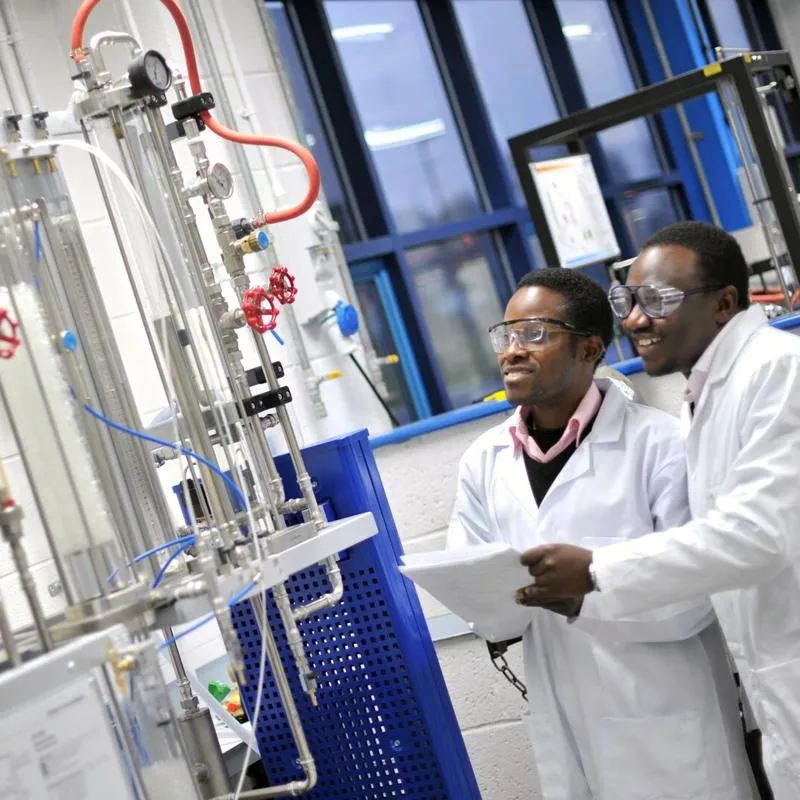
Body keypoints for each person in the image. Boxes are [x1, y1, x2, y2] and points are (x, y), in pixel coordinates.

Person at [447, 267, 754, 800]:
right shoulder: (484, 461)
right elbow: (471, 575)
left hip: (667, 723)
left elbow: (699, 594)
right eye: (507, 334)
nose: (513, 350)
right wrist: (490, 603)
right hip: (563, 723)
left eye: (535, 334)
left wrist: (585, 592)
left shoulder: (660, 446)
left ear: (589, 349)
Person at [518, 221, 800, 798]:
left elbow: (758, 535)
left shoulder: (778, 369)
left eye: (658, 301)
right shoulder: (708, 392)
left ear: (724, 303)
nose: (634, 320)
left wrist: (597, 572)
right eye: (628, 300)